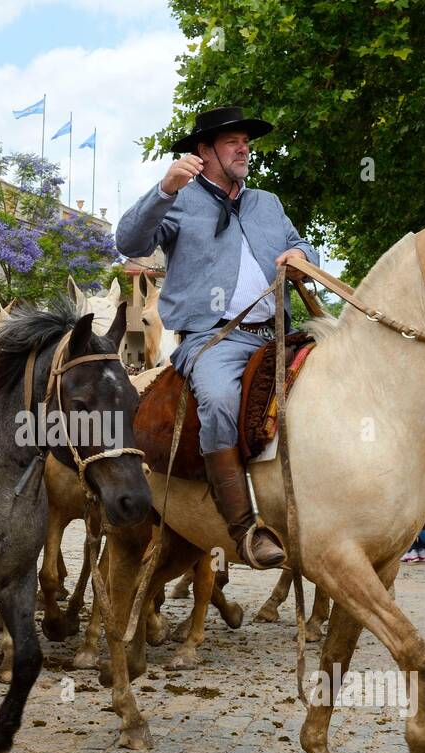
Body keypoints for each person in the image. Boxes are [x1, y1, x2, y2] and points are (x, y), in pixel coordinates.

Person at [116, 106, 319, 568]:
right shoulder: (178, 200)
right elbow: (129, 242)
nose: (244, 148)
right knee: (220, 401)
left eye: (246, 141)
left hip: (282, 333)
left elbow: (307, 246)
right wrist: (164, 189)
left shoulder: (267, 202)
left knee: (349, 368)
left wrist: (300, 252)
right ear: (202, 152)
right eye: (232, 142)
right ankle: (245, 529)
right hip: (214, 341)